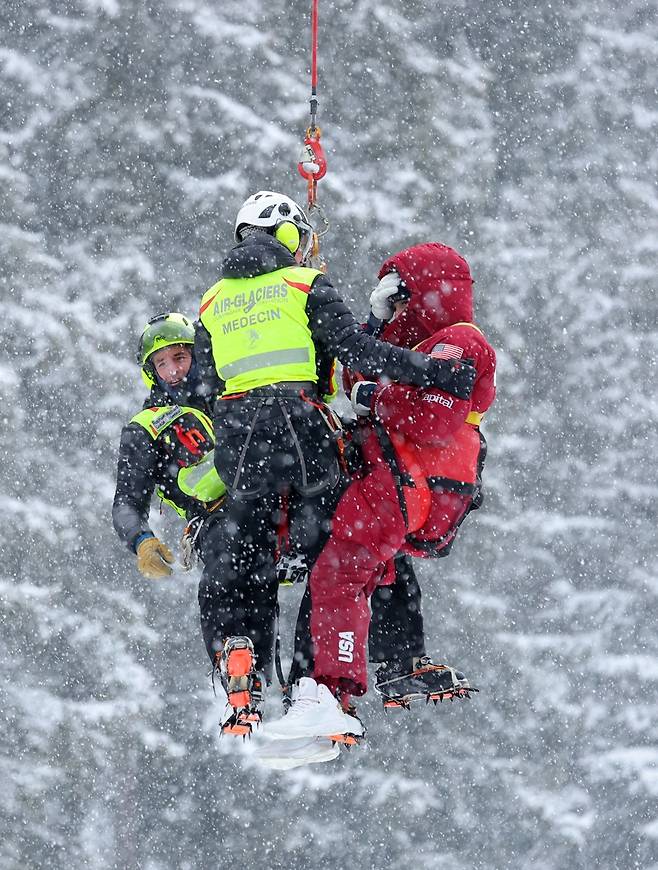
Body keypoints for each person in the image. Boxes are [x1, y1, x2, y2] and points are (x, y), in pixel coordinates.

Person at [193, 191, 477, 754]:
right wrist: (429, 372)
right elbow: (356, 352)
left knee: (252, 557)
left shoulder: (210, 302)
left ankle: (242, 652)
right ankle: (312, 685)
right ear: (292, 236)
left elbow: (205, 386)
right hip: (302, 431)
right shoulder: (303, 284)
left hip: (238, 443)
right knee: (332, 558)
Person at [265, 242, 496, 744]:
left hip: (404, 481)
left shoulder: (458, 341)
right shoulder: (421, 346)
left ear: (425, 294)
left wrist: (373, 397)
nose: (394, 311)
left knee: (339, 573)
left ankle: (327, 693)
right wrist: (370, 326)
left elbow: (433, 417)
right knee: (378, 568)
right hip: (397, 481)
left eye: (399, 298)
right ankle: (395, 659)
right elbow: (359, 368)